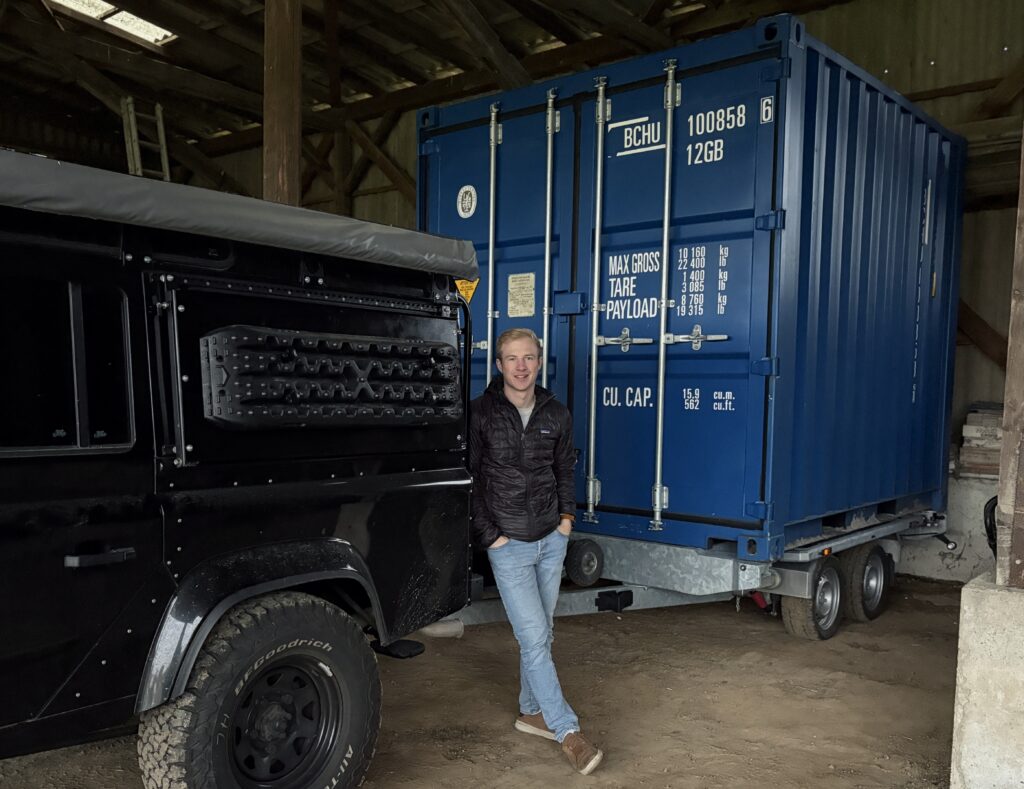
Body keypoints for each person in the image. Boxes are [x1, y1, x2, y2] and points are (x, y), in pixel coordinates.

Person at [469, 327, 604, 776]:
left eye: (528, 357)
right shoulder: (481, 413)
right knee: (533, 638)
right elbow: (470, 477)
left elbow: (564, 468)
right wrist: (490, 535)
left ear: (540, 362)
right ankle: (567, 732)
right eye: (512, 358)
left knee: (542, 634)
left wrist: (566, 520)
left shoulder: (556, 413)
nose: (521, 366)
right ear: (499, 365)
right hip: (508, 544)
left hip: (550, 539)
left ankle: (531, 712)